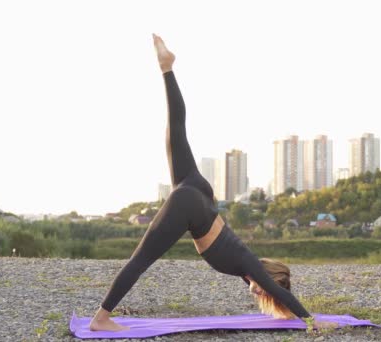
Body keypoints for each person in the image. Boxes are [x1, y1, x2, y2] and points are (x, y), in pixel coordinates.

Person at [89, 34, 336, 332]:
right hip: (191, 205)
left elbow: (277, 292)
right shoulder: (250, 265)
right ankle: (101, 318)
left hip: (199, 193)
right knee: (141, 259)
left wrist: (285, 308)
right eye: (265, 288)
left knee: (176, 129)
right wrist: (311, 321)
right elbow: (280, 292)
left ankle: (167, 68)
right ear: (268, 276)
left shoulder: (247, 269)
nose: (260, 293)